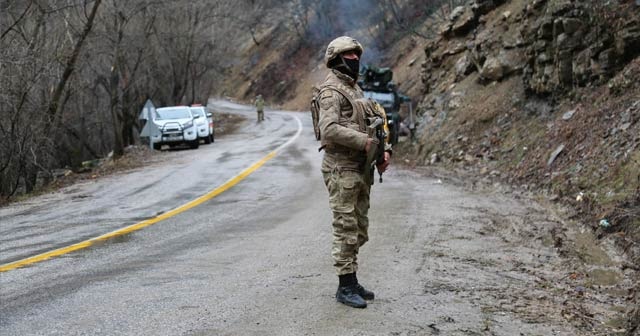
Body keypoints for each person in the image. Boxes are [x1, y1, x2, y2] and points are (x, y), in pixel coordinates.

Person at [317, 36, 391, 308]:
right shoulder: (331, 92)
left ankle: (352, 279)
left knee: (360, 229)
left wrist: (384, 151)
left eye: (356, 56)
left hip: (361, 168)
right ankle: (344, 286)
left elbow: (376, 122)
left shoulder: (355, 89)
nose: (355, 60)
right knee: (346, 226)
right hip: (341, 168)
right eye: (349, 56)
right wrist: (364, 142)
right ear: (336, 59)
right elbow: (329, 129)